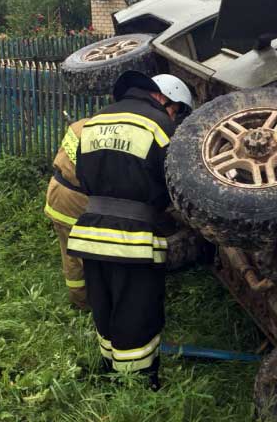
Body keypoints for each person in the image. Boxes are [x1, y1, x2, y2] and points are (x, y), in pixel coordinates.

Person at [67, 70, 193, 389]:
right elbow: (175, 181)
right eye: (176, 111)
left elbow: (82, 173)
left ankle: (109, 372)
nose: (174, 117)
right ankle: (137, 385)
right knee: (137, 313)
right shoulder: (158, 125)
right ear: (164, 99)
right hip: (133, 241)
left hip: (90, 235)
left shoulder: (96, 121)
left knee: (105, 307)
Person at [44, 118, 90, 310]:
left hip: (57, 195)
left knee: (70, 255)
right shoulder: (105, 136)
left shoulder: (79, 125)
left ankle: (80, 302)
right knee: (88, 258)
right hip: (76, 203)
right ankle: (101, 306)